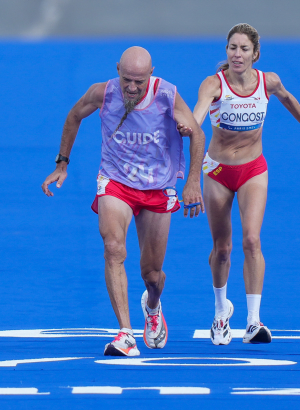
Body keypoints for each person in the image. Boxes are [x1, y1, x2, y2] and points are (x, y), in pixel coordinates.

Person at [42, 46, 205, 356]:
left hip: (157, 186)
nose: (131, 88)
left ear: (151, 75)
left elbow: (197, 134)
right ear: (117, 70)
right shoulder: (102, 93)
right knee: (113, 248)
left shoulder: (167, 95)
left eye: (139, 82)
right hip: (116, 181)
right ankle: (125, 334)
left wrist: (193, 182)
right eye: (126, 79)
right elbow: (74, 115)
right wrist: (62, 162)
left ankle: (153, 305)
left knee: (152, 274)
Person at [187, 23, 300, 345]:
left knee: (252, 241)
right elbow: (196, 119)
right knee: (223, 248)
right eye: (232, 48)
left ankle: (253, 321)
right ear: (226, 52)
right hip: (218, 171)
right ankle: (221, 312)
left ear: (255, 54)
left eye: (244, 49)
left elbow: (288, 99)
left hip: (253, 169)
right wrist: (189, 128)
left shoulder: (268, 81)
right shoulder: (213, 84)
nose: (237, 54)